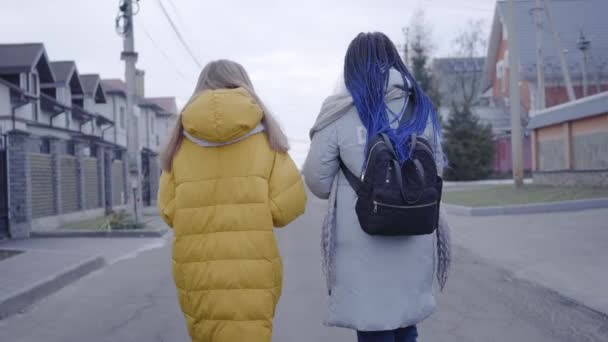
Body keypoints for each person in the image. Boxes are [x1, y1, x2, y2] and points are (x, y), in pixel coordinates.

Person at [303, 32, 451, 342]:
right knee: (405, 322)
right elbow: (436, 170)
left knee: (374, 325)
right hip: (415, 234)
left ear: (351, 68)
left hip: (362, 241)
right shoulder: (421, 107)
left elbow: (316, 180)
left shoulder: (339, 111)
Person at [157, 59, 307, 342]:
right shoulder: (268, 140)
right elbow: (288, 206)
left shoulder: (178, 144)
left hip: (197, 271)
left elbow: (167, 210)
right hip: (253, 270)